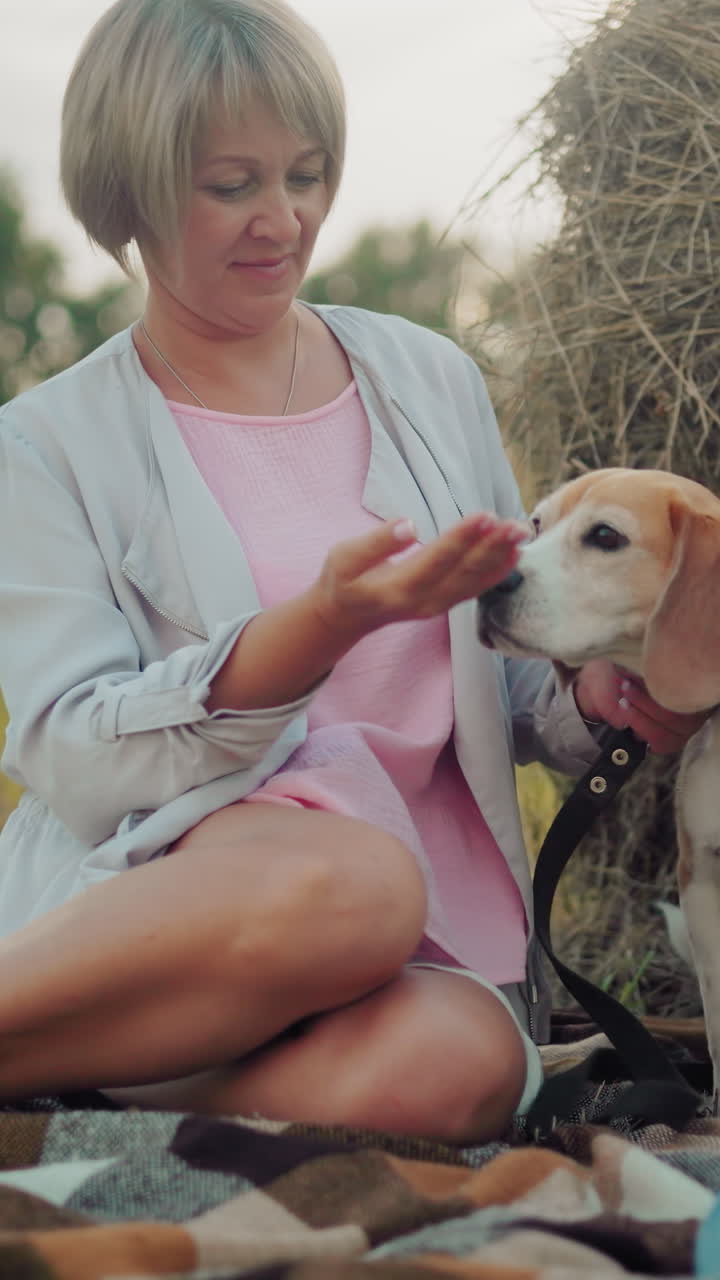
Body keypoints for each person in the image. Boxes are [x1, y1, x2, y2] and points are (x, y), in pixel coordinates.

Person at [0, 0, 704, 1144]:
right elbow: (77, 755)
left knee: (469, 1066)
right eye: (232, 184)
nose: (284, 219)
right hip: (204, 898)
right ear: (126, 185)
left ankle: (98, 1082)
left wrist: (599, 700)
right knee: (359, 881)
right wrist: (318, 625)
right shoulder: (40, 443)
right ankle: (89, 1023)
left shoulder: (429, 377)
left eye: (309, 174)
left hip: (414, 942)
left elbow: (499, 691)